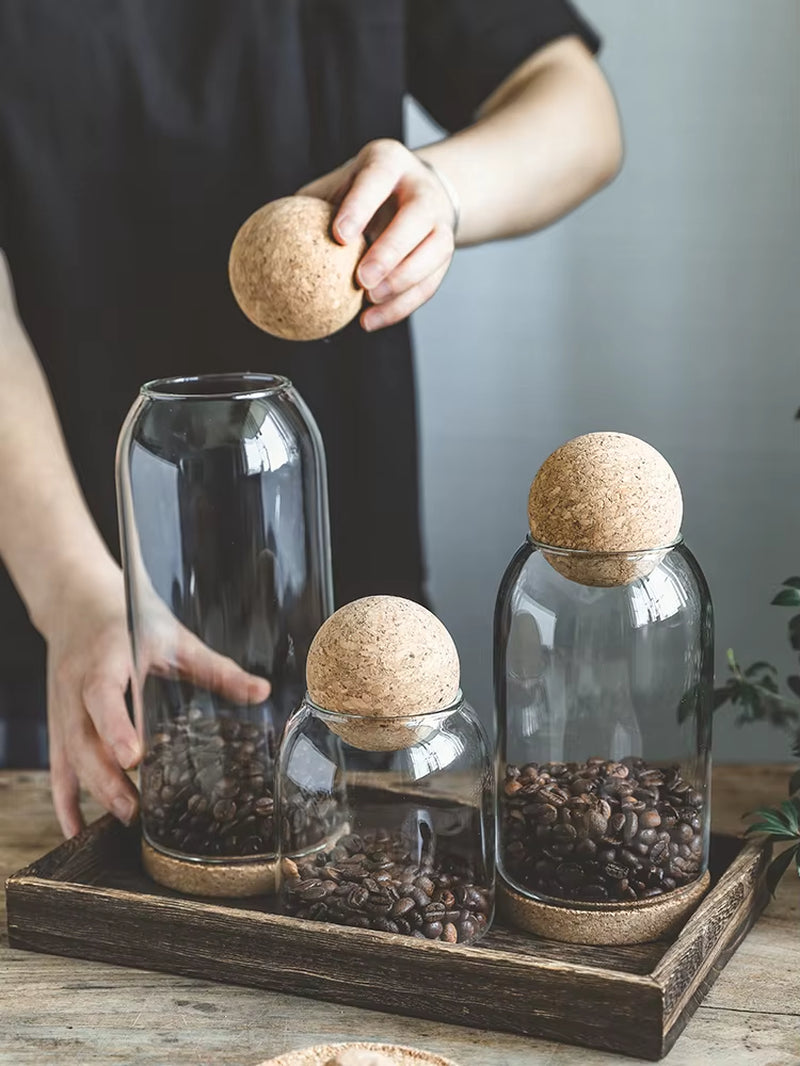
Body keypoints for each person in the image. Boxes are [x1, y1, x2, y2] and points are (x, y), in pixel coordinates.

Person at [0, 1, 622, 836]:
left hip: (349, 621)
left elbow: (576, 108)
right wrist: (72, 592)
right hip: (60, 617)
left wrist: (438, 190)